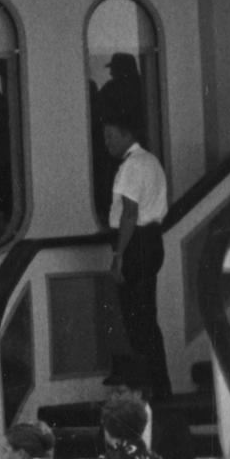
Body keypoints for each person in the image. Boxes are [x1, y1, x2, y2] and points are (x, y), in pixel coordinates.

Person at [102, 116, 171, 397]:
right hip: (153, 241)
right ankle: (159, 386)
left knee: (136, 322)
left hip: (135, 245)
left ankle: (147, 389)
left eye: (110, 136)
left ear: (126, 133)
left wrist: (118, 256)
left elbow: (129, 213)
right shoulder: (151, 161)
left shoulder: (131, 166)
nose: (106, 143)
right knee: (147, 319)